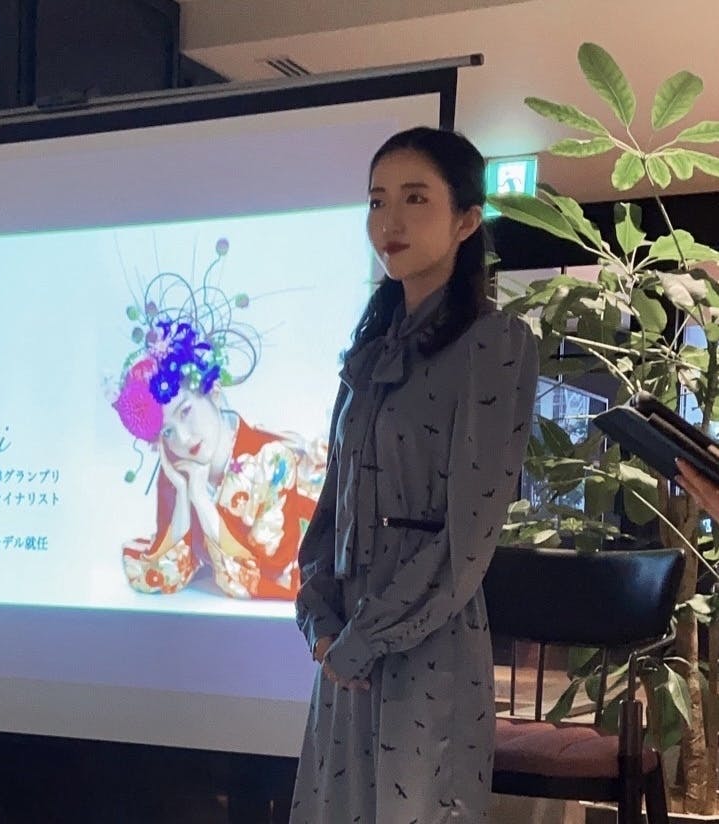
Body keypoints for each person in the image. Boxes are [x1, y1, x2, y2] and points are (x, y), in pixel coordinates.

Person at [291, 127, 539, 822]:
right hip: (345, 643)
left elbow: (468, 536)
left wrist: (364, 640)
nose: (389, 222)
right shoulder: (369, 350)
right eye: (377, 201)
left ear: (466, 221)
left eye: (414, 199)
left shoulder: (495, 343)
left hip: (426, 644)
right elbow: (331, 506)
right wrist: (319, 620)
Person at [109, 250, 325, 600]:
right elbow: (164, 577)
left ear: (213, 391)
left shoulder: (272, 459)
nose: (183, 438)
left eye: (185, 412)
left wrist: (203, 503)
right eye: (167, 432)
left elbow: (265, 574)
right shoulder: (179, 468)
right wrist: (184, 497)